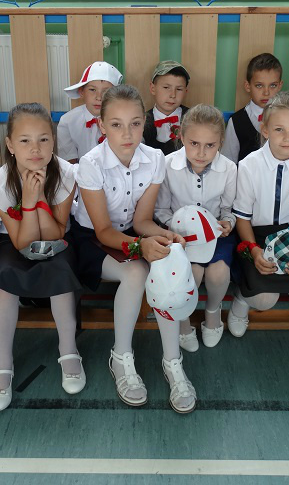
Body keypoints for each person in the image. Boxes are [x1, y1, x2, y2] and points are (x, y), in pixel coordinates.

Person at [70, 84, 197, 414]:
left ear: (145, 123)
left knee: (167, 262)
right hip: (91, 239)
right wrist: (141, 247)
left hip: (130, 233)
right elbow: (103, 231)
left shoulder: (154, 158)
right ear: (102, 125)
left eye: (135, 123)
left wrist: (167, 237)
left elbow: (141, 221)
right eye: (116, 124)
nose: (127, 134)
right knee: (137, 272)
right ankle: (121, 357)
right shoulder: (90, 164)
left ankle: (173, 362)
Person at [0, 103, 84, 411]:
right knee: (4, 281)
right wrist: (27, 202)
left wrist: (39, 199)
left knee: (61, 272)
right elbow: (22, 242)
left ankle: (69, 350)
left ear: (53, 141)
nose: (35, 149)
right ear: (10, 145)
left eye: (43, 139)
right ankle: (3, 363)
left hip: (56, 241)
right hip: (13, 241)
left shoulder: (66, 174)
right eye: (24, 140)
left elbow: (56, 233)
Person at [229, 92, 289, 342]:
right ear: (265, 130)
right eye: (279, 129)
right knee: (263, 300)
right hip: (256, 236)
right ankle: (242, 299)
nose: (287, 137)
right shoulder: (249, 165)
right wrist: (254, 250)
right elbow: (243, 218)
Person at [155, 104, 236, 350]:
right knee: (193, 271)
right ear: (181, 137)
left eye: (210, 145)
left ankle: (212, 311)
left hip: (215, 235)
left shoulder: (229, 169)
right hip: (180, 236)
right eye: (194, 143)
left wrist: (227, 223)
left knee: (218, 273)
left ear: (220, 142)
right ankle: (183, 318)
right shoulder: (167, 165)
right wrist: (176, 230)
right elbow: (161, 210)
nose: (201, 152)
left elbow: (228, 209)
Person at [221, 53, 284, 163]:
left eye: (273, 85)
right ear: (248, 86)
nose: (266, 92)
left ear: (280, 86)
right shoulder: (236, 122)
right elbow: (227, 162)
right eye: (259, 85)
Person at [57, 61, 123, 162]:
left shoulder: (124, 119)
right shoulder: (68, 121)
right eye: (92, 90)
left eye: (106, 91)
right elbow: (68, 163)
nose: (99, 97)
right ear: (81, 91)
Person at [143, 60, 190, 156]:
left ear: (186, 92)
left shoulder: (194, 120)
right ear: (152, 88)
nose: (173, 95)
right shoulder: (141, 121)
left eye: (179, 89)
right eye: (166, 87)